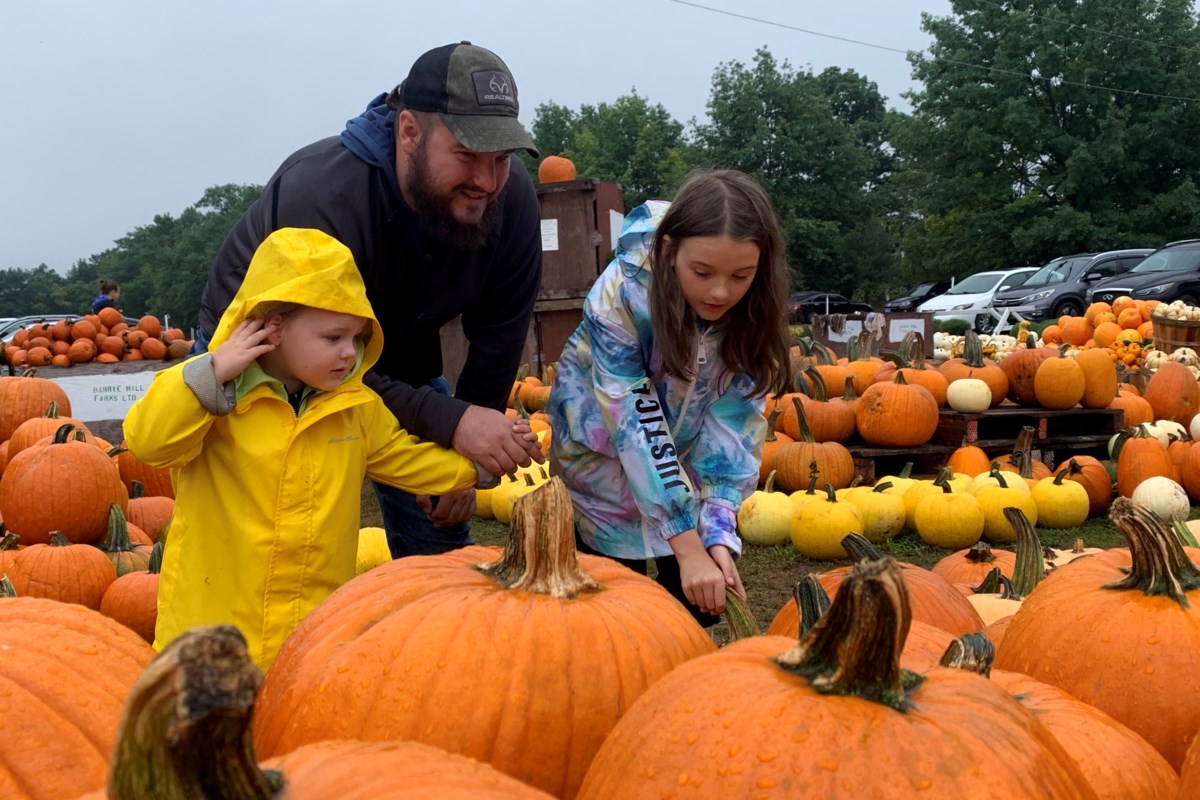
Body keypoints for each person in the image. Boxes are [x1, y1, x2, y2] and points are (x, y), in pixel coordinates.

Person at [196, 41, 544, 559]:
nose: (487, 181)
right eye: (468, 155)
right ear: (409, 132)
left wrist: (470, 447)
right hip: (270, 361)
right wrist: (449, 420)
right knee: (279, 541)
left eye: (501, 158)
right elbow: (313, 355)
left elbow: (499, 335)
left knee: (440, 542)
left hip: (397, 354)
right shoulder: (322, 196)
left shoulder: (510, 199)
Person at [125, 228, 496, 669]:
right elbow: (148, 441)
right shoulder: (215, 396)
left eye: (356, 339)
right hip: (209, 637)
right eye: (333, 338)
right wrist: (212, 371)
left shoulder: (355, 407)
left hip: (310, 635)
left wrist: (479, 467)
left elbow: (404, 457)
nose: (348, 354)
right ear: (276, 329)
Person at [546, 170, 793, 626]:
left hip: (682, 470)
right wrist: (686, 543)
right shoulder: (619, 294)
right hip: (600, 470)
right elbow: (632, 417)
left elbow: (732, 425)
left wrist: (717, 530)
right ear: (668, 251)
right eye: (702, 273)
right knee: (609, 617)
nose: (721, 292)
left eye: (741, 275)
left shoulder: (749, 311)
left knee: (692, 611)